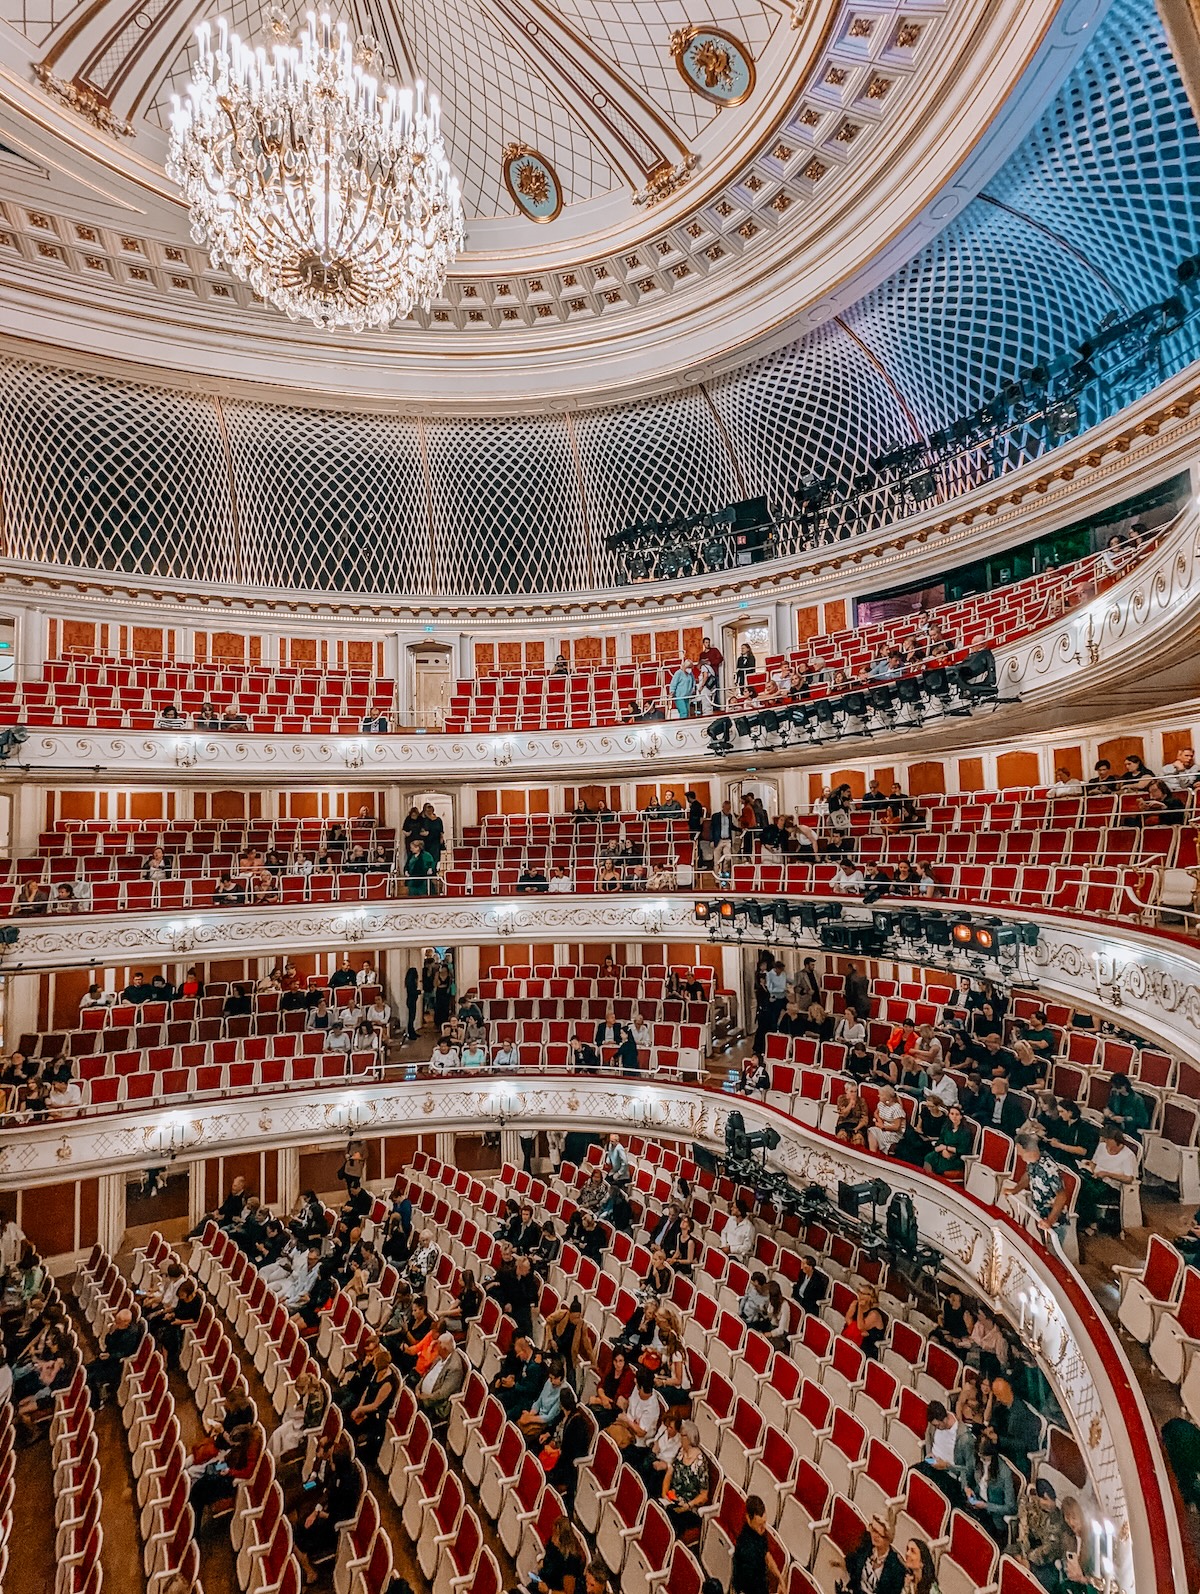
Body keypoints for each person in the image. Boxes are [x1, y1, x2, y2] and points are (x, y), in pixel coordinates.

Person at [86, 1307, 144, 1407]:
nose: (115, 1324)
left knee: (94, 1378)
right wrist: (110, 1333)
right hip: (109, 1357)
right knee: (87, 1369)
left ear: (126, 1323)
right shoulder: (117, 1328)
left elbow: (124, 1353)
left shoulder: (131, 1335)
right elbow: (108, 1344)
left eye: (118, 1323)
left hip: (117, 1363)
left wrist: (109, 1356)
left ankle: (96, 1402)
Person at [987, 1376, 1042, 1476]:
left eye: (999, 1394)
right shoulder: (1001, 1405)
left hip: (1019, 1457)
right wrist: (992, 1427)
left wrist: (999, 1440)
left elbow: (1024, 1444)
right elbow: (995, 1419)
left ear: (1009, 1389)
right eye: (996, 1395)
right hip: (1003, 1448)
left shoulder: (1022, 1414)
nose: (998, 1398)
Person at [841, 1516, 906, 1594]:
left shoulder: (896, 1568)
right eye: (874, 1530)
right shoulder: (866, 1547)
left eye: (880, 1535)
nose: (875, 1536)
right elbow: (851, 1564)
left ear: (888, 1539)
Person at [730, 1495, 782, 1594]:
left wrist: (780, 1578)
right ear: (748, 1519)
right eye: (759, 1525)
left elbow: (766, 1554)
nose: (763, 1528)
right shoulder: (745, 1549)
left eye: (764, 1523)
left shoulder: (759, 1532)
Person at [530, 1514, 587, 1594]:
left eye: (556, 1535)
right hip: (541, 1583)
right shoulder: (553, 1545)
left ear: (563, 1539)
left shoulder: (571, 1562)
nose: (552, 1538)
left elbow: (568, 1592)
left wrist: (548, 1591)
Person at [416, 1332, 465, 1422]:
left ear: (444, 1349)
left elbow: (443, 1393)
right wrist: (418, 1387)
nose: (435, 1346)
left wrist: (424, 1397)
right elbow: (428, 1373)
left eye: (437, 1344)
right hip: (422, 1396)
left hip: (435, 1405)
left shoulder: (454, 1368)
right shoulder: (440, 1356)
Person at [843, 1286, 888, 1360]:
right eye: (859, 1291)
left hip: (867, 1346)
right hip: (855, 1338)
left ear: (869, 1297)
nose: (859, 1294)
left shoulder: (874, 1314)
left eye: (862, 1293)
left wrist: (860, 1308)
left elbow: (861, 1327)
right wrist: (856, 1329)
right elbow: (848, 1318)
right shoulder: (855, 1303)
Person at [835, 1081, 870, 1147]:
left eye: (855, 1091)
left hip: (857, 1124)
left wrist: (857, 1128)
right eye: (851, 1091)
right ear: (846, 1090)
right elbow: (843, 1115)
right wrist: (850, 1104)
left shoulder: (862, 1101)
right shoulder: (841, 1099)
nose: (854, 1094)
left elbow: (865, 1118)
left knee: (858, 1139)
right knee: (842, 1136)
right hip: (844, 1123)